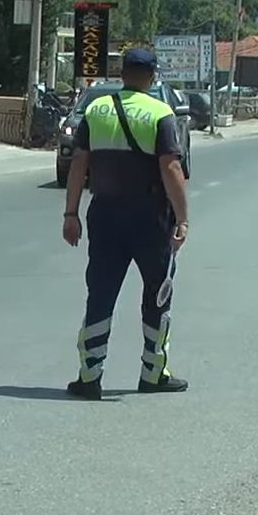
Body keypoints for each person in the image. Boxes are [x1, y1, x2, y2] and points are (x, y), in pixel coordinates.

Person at [61, 49, 191, 401]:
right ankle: (153, 373)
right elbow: (171, 169)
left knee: (100, 295)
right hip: (151, 218)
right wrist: (182, 219)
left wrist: (70, 214)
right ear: (152, 77)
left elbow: (78, 165)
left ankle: (89, 377)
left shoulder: (96, 110)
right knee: (157, 295)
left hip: (104, 214)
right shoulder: (160, 113)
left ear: (122, 73)